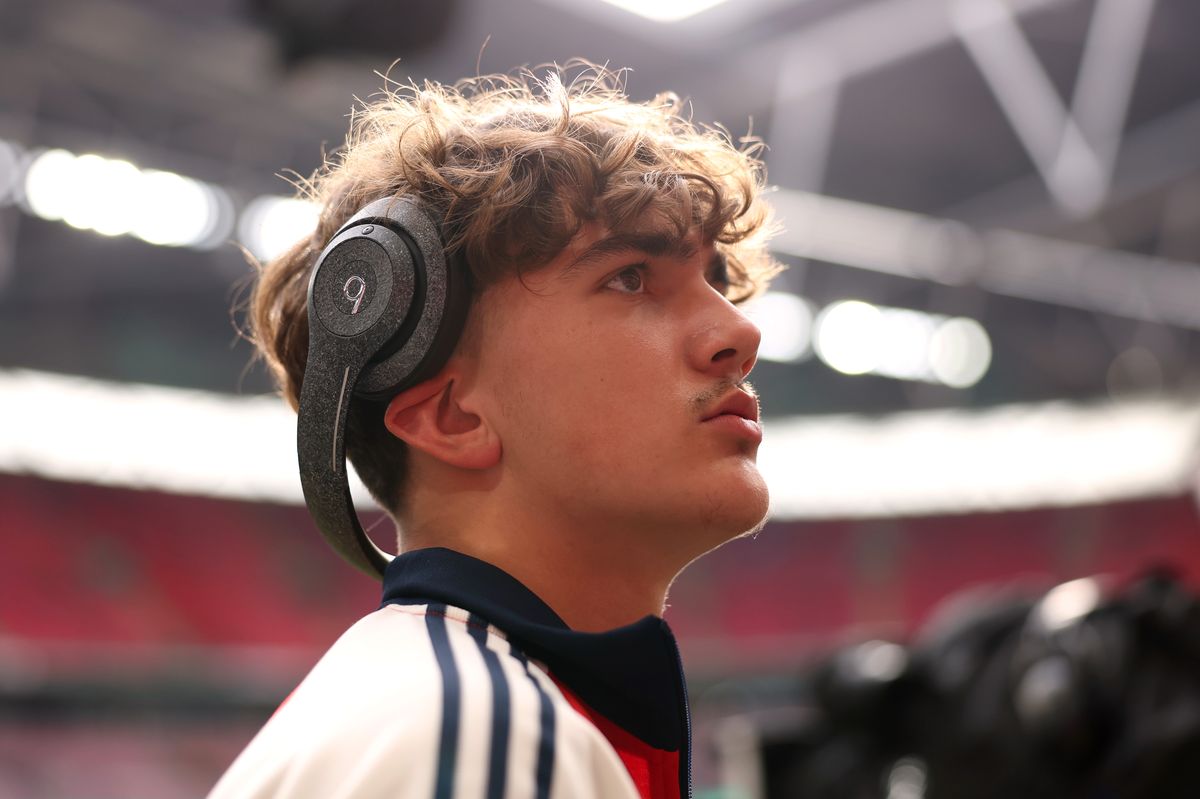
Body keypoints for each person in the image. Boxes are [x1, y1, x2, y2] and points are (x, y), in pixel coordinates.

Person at [210, 64, 784, 799]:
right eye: (632, 277)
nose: (740, 331)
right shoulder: (486, 738)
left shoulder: (438, 707)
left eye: (719, 282)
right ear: (452, 417)